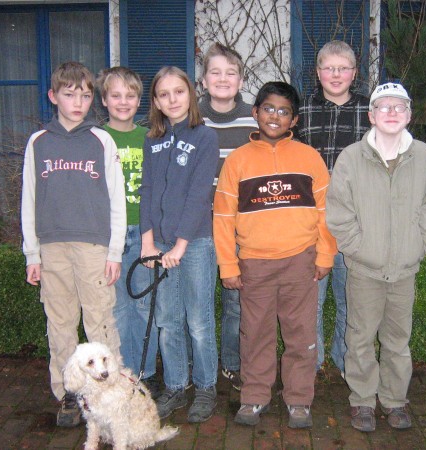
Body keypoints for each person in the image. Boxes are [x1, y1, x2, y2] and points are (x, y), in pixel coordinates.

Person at [326, 82, 426, 432]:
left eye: (399, 107)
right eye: (384, 106)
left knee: (397, 340)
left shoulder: (425, 158)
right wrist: (358, 247)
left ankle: (394, 399)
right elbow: (338, 211)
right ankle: (363, 400)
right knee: (360, 337)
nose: (392, 112)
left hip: (404, 270)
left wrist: (419, 245)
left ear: (409, 115)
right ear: (372, 115)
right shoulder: (352, 158)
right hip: (364, 269)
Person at [214, 81, 337, 429]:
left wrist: (325, 254)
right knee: (255, 333)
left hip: (301, 261)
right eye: (268, 108)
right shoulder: (237, 161)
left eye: (284, 112)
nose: (275, 116)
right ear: (255, 112)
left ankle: (299, 399)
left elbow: (326, 211)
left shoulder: (309, 158)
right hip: (254, 263)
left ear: (294, 120)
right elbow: (223, 217)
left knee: (301, 333)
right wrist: (228, 264)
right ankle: (254, 395)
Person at [21, 61, 126, 427]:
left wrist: (114, 251)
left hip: (93, 247)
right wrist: (32, 253)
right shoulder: (38, 143)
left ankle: (110, 391)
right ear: (54, 97)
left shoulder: (101, 140)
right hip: (52, 248)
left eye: (84, 96)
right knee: (61, 323)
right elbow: (29, 200)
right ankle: (68, 393)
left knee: (100, 321)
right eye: (69, 95)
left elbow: (117, 199)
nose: (78, 103)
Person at [139, 66, 219, 423]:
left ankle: (205, 386)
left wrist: (181, 247)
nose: (172, 99)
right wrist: (148, 243)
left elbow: (200, 194)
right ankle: (175, 385)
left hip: (195, 243)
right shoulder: (152, 140)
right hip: (159, 243)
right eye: (164, 94)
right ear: (156, 101)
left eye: (179, 91)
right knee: (168, 320)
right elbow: (147, 191)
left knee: (198, 320)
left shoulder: (205, 136)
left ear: (191, 94)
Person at [295, 40, 371, 377]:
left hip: (355, 222)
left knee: (350, 300)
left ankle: (345, 360)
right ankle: (311, 364)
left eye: (343, 68)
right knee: (310, 301)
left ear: (354, 73)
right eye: (329, 68)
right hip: (311, 224)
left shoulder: (370, 112)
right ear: (318, 72)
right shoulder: (302, 111)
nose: (336, 75)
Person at [95, 66, 161, 398]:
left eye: (130, 96)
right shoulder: (96, 139)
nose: (123, 102)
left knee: (143, 305)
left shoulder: (150, 138)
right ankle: (123, 372)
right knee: (117, 308)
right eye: (116, 95)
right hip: (109, 236)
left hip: (144, 231)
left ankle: (146, 372)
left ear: (139, 100)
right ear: (104, 100)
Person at [199, 42, 257, 391]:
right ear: (204, 79)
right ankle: (198, 368)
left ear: (241, 79)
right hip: (196, 227)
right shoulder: (189, 117)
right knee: (198, 305)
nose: (223, 79)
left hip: (240, 228)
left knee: (237, 304)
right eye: (215, 72)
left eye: (230, 73)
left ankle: (232, 365)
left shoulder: (256, 118)